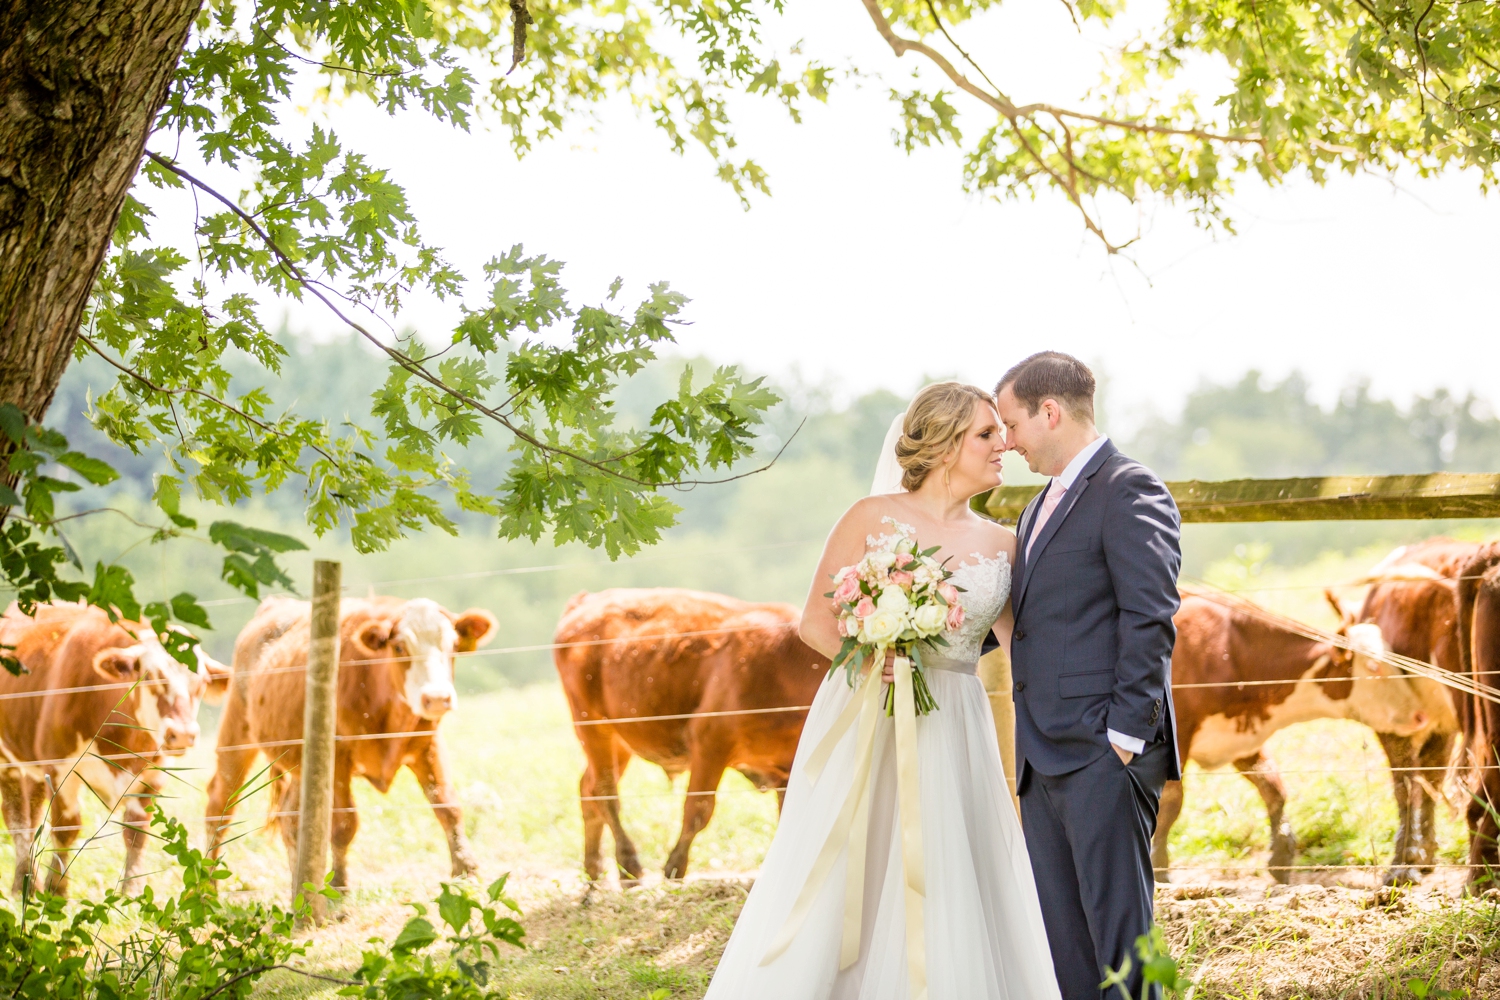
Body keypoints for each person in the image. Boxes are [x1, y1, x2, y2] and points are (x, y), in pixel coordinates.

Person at [704, 381, 1062, 1000]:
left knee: (949, 862)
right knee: (856, 860)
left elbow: (1026, 645)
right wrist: (875, 655)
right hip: (871, 709)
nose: (1002, 444)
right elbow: (816, 623)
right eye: (985, 434)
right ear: (947, 444)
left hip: (955, 719)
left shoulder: (1003, 544)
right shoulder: (871, 519)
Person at [995, 352, 1182, 1000]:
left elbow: (1151, 615)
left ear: (1050, 411)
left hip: (1106, 753)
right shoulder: (1035, 506)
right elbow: (1036, 621)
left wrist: (1125, 737)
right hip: (1041, 758)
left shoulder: (1130, 487)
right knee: (1065, 951)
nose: (1007, 441)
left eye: (1012, 424)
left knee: (1123, 951)